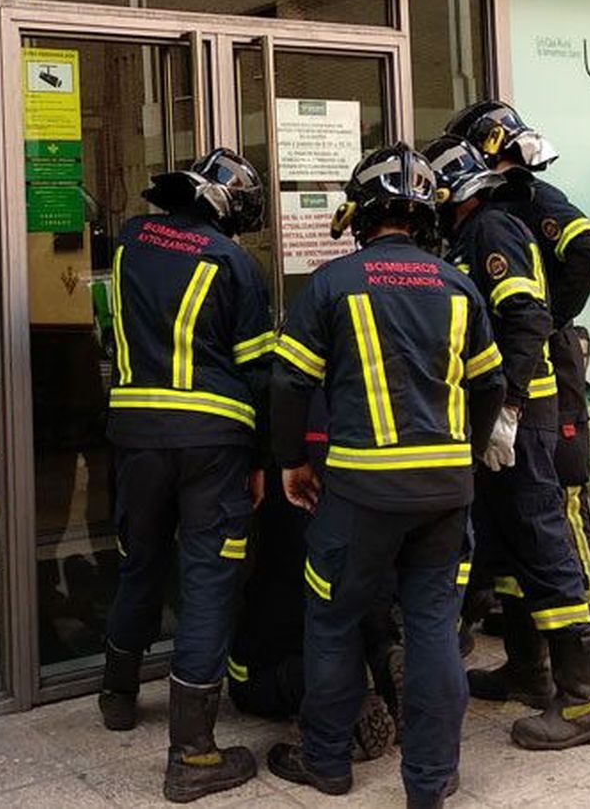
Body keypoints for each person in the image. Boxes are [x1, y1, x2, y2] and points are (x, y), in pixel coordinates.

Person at [264, 143, 505, 809]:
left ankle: (327, 763)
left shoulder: (332, 284)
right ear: (427, 215)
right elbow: (491, 384)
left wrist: (291, 461)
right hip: (444, 493)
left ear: (362, 214)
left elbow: (289, 380)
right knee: (432, 628)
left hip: (360, 491)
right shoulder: (458, 287)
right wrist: (467, 452)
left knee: (335, 622)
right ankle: (429, 783)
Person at [97, 148, 276, 804]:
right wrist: (261, 460)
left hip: (136, 435)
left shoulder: (129, 239)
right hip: (213, 443)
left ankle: (117, 694)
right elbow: (259, 373)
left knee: (139, 562)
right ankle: (193, 754)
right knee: (207, 579)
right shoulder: (234, 264)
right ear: (228, 208)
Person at [425, 135, 590, 752]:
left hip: (523, 415)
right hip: (501, 413)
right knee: (506, 544)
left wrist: (506, 405)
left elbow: (529, 317)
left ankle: (583, 702)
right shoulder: (469, 236)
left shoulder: (494, 232)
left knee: (540, 537)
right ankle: (528, 670)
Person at [227, 392, 399, 762]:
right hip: (371, 451)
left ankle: (341, 700)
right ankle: (385, 660)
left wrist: (261, 456)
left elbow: (272, 376)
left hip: (293, 448)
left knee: (247, 679)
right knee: (357, 583)